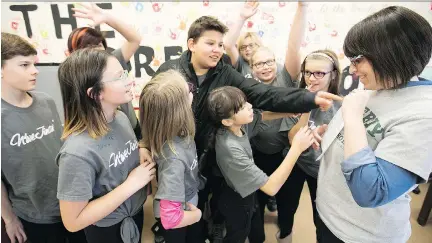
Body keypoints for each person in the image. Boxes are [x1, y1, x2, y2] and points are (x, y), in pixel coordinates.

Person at [151, 14, 341, 241]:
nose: (217, 50)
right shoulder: (170, 71)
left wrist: (307, 99)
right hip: (176, 156)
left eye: (221, 44)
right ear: (192, 44)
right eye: (210, 43)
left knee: (204, 208)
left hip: (207, 157)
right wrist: (145, 143)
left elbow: (262, 94)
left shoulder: (224, 73)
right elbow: (153, 110)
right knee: (177, 209)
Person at [315, 6, 432, 243]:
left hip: (359, 234)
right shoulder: (381, 83)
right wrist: (333, 135)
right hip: (330, 214)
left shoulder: (424, 116)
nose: (353, 69)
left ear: (392, 55)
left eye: (358, 60)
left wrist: (352, 119)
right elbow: (366, 136)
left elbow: (370, 191)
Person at [56, 48, 155, 243]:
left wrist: (140, 149)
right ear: (94, 93)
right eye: (119, 77)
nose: (129, 81)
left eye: (125, 73)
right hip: (108, 230)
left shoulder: (121, 117)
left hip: (134, 214)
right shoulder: (77, 153)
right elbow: (72, 221)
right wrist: (132, 184)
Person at [1, 32, 86, 243]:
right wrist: (9, 219)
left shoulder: (46, 102)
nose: (35, 71)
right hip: (34, 215)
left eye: (34, 64)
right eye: (24, 65)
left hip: (70, 204)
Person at [206, 86, 314, 243]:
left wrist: (290, 112)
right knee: (237, 235)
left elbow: (262, 115)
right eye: (242, 107)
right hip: (236, 200)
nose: (250, 106)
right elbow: (271, 188)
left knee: (257, 235)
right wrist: (296, 148)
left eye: (246, 102)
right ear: (227, 120)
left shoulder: (237, 125)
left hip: (247, 193)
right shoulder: (230, 149)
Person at [139, 70, 205, 243]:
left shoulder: (176, 131)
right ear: (179, 109)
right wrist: (197, 215)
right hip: (181, 210)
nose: (192, 92)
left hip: (187, 196)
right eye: (188, 90)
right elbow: (171, 219)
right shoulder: (174, 159)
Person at [67, 3, 143, 141]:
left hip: (130, 128)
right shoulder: (74, 79)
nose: (95, 51)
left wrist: (107, 17)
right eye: (86, 47)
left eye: (98, 45)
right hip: (101, 137)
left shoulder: (113, 61)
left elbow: (135, 39)